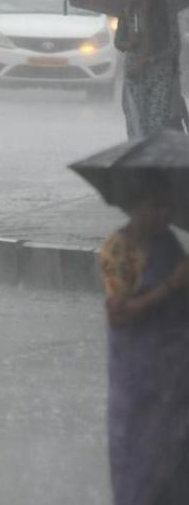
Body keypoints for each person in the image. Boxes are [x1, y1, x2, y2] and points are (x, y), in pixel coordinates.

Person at [99, 180, 189, 504]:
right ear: (136, 207)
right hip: (139, 376)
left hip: (175, 375)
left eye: (167, 206)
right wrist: (171, 284)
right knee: (141, 460)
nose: (164, 213)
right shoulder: (120, 248)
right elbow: (119, 315)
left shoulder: (166, 242)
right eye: (156, 206)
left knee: (177, 458)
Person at [116, 0, 187, 139]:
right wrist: (129, 42)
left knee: (155, 126)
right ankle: (139, 162)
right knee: (136, 127)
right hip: (135, 77)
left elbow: (174, 45)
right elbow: (119, 42)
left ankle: (152, 162)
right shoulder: (128, 10)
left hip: (159, 76)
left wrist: (149, 60)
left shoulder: (165, 8)